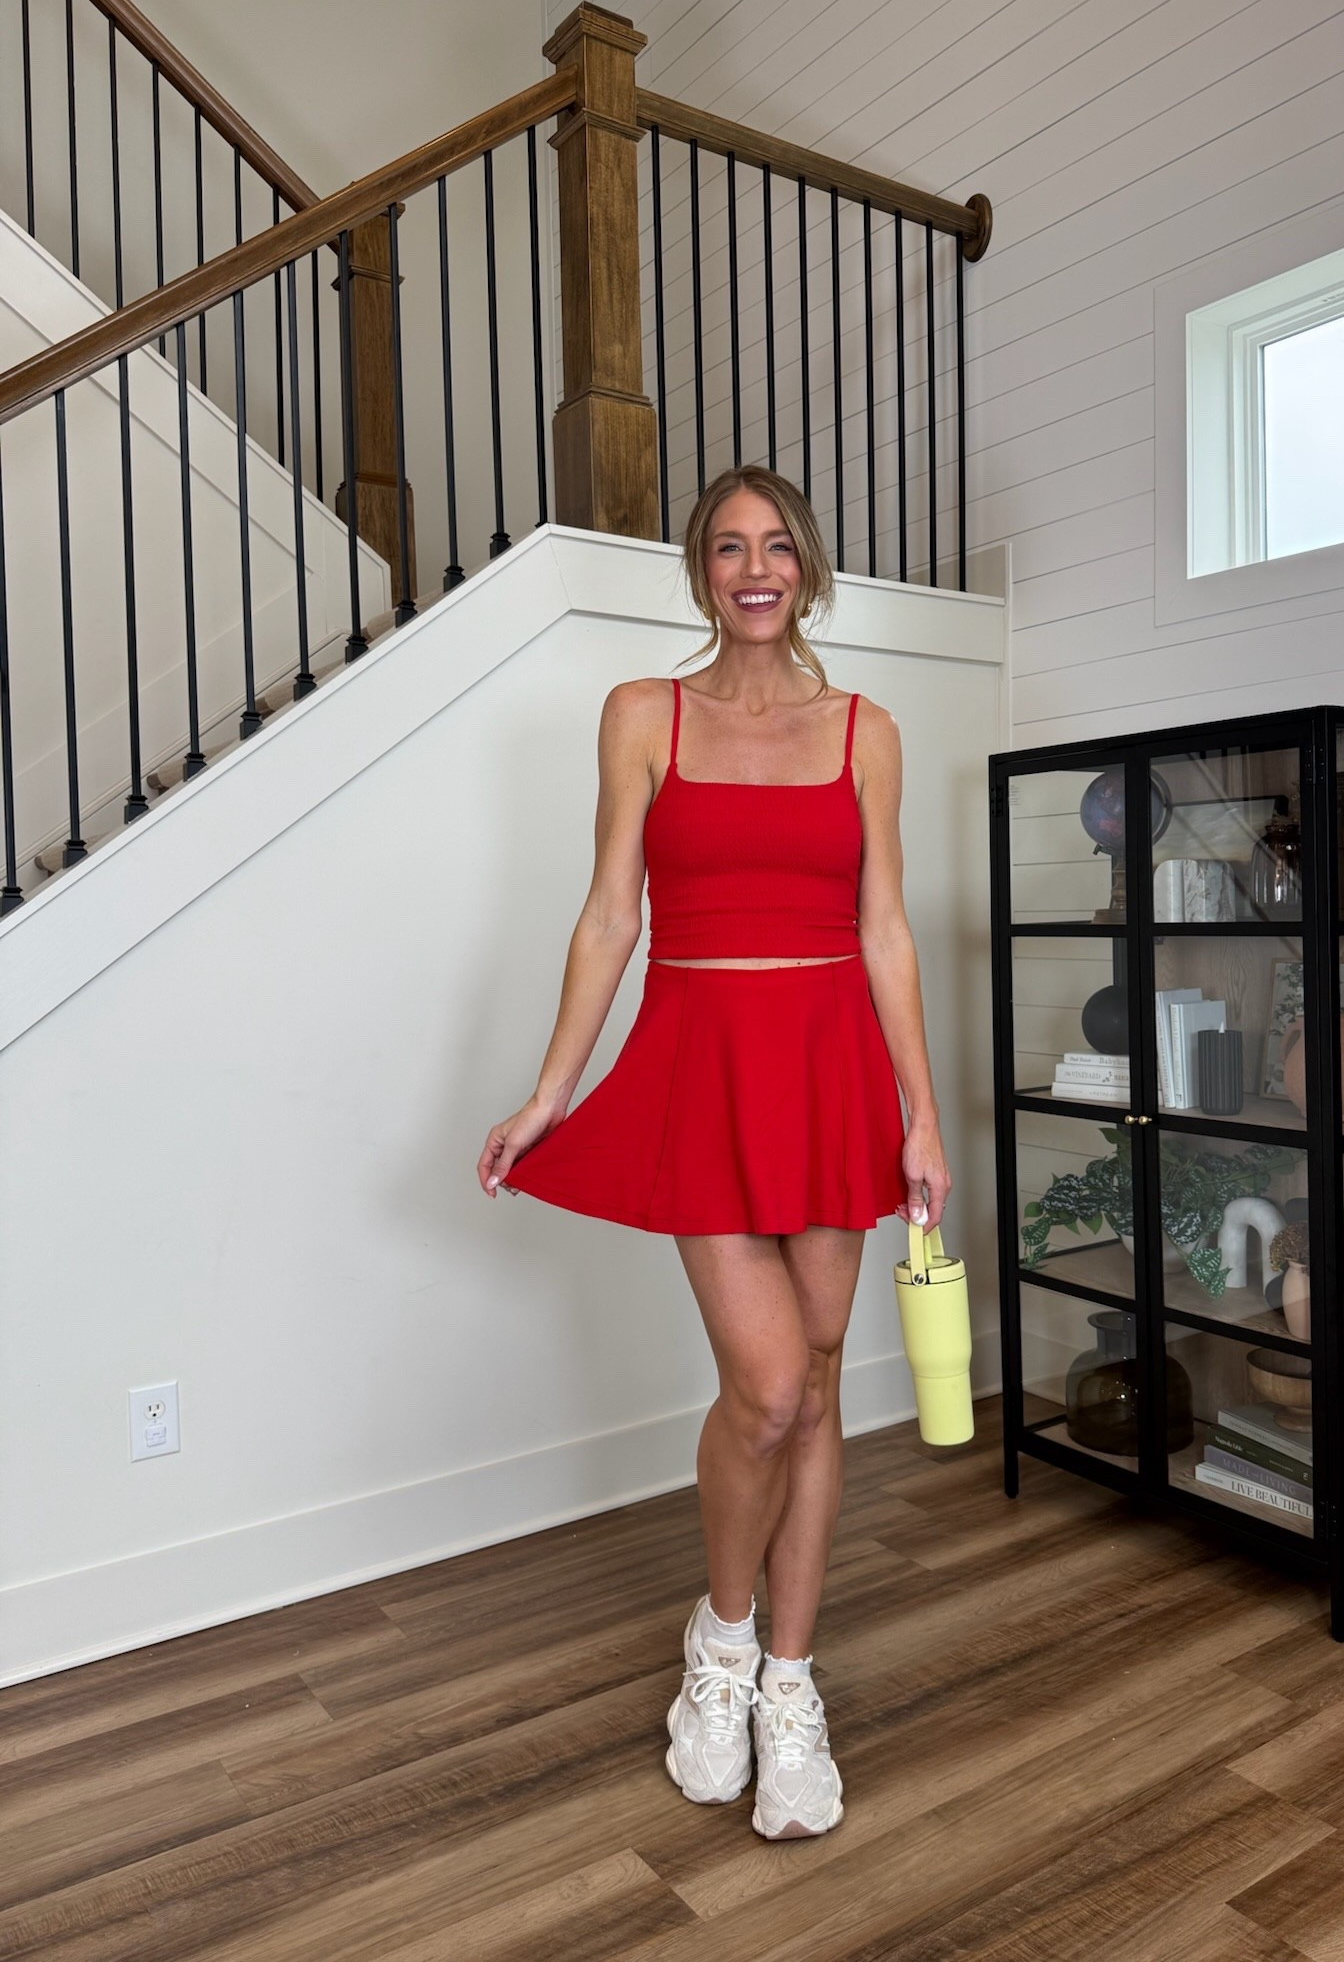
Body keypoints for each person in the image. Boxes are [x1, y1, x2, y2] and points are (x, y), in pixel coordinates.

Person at [476, 464, 951, 1840]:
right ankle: (724, 1645)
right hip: (703, 1066)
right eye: (731, 548)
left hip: (829, 1070)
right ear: (700, 571)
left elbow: (885, 929)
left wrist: (920, 1113)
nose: (756, 569)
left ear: (809, 568)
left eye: (778, 547)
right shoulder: (644, 714)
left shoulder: (866, 730)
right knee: (767, 1385)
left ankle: (790, 1687)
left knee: (818, 1383)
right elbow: (609, 917)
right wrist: (551, 1091)